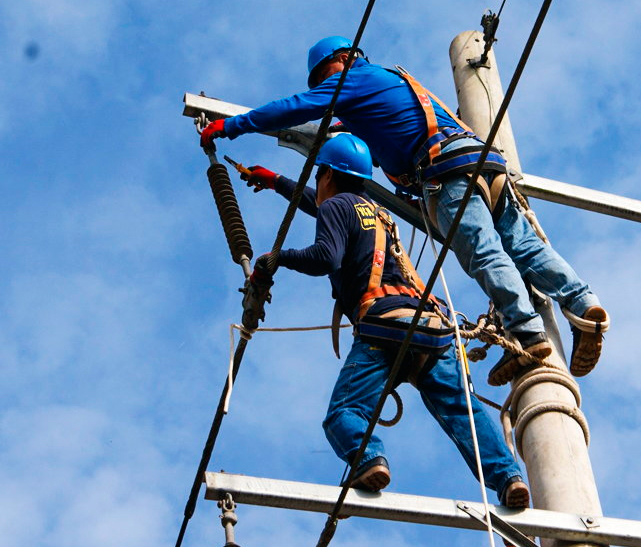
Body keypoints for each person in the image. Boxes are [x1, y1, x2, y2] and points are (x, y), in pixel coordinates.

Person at [201, 36, 609, 385]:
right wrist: (277, 181)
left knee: (484, 253)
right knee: (524, 246)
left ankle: (526, 333)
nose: (326, 91)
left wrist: (232, 125)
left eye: (324, 77)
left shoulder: (351, 79)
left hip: (447, 175)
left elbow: (295, 107)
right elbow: (347, 181)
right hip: (485, 165)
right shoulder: (393, 84)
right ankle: (584, 305)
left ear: (340, 62)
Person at [244, 133, 529, 507]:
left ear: (327, 175)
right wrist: (277, 181)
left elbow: (325, 256)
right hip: (429, 327)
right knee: (463, 410)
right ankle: (508, 478)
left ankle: (369, 460)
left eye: (319, 178)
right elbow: (323, 205)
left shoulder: (336, 208)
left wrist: (277, 257)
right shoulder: (374, 211)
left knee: (344, 414)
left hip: (383, 325)